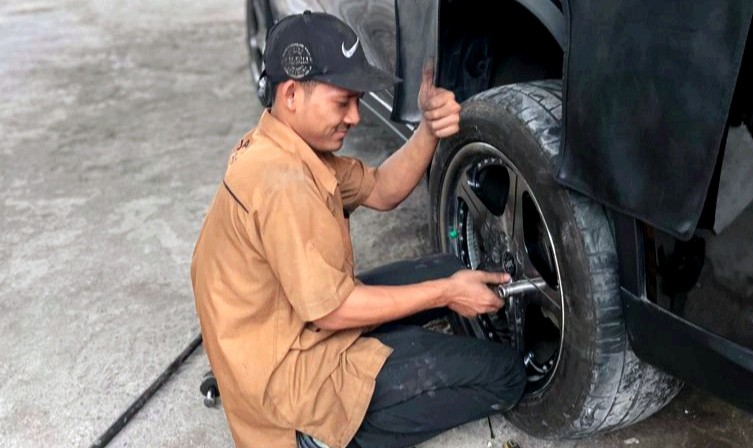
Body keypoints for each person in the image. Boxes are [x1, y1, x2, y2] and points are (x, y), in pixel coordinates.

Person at [191, 11, 525, 448]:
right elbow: (332, 312)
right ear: (292, 94)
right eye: (342, 102)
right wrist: (446, 293)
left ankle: (393, 351)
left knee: (446, 267)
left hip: (278, 332)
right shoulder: (281, 184)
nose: (354, 117)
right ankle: (325, 438)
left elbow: (383, 189)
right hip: (294, 393)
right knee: (505, 374)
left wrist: (427, 128)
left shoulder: (287, 147)